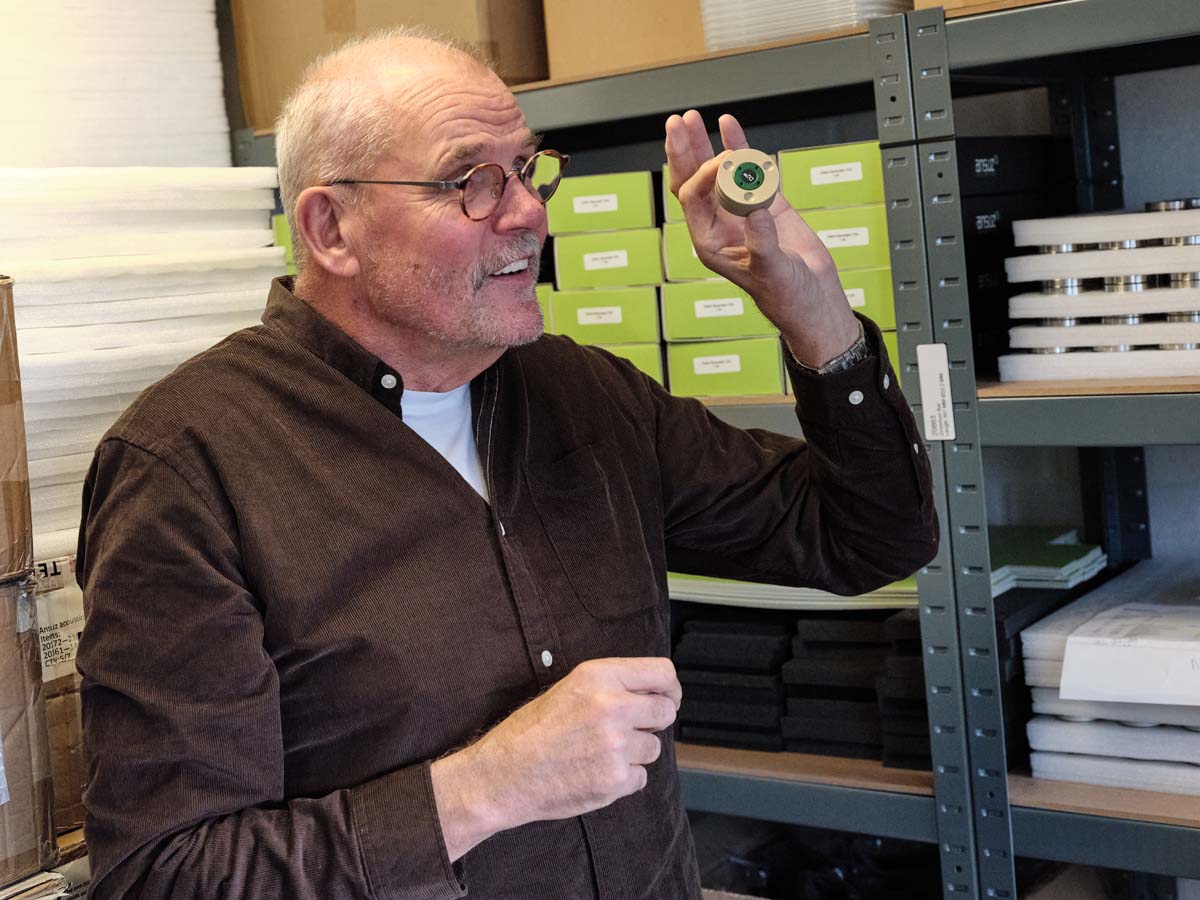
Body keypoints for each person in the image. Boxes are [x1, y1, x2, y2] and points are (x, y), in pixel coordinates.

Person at [75, 27, 937, 900]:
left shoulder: (584, 393)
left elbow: (867, 539)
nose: (528, 212)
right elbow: (162, 876)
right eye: (471, 182)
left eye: (527, 170)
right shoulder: (189, 467)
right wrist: (486, 787)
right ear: (331, 228)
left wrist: (815, 313)